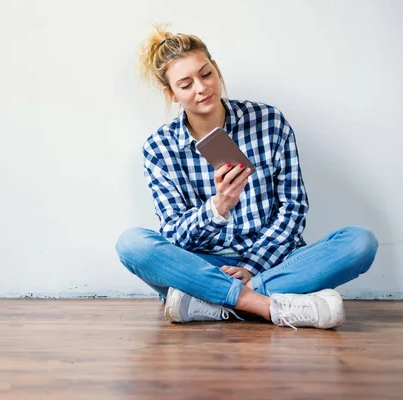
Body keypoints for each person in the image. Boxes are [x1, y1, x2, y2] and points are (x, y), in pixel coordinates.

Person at [115, 25, 379, 330]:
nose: (201, 88)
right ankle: (267, 306)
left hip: (275, 261)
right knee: (132, 244)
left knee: (360, 242)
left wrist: (252, 268)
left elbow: (293, 208)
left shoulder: (269, 121)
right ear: (171, 94)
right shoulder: (159, 148)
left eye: (206, 74)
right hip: (202, 266)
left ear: (216, 68)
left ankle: (210, 303)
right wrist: (217, 207)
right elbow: (174, 235)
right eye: (186, 84)